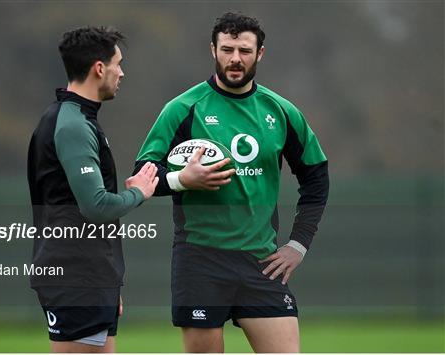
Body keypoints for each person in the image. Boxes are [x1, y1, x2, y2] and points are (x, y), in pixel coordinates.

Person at [134, 12, 329, 352]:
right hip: (200, 260)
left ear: (260, 53)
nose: (235, 59)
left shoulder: (281, 111)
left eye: (244, 50)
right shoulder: (182, 108)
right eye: (227, 49)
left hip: (262, 263)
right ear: (213, 50)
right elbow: (143, 178)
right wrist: (182, 179)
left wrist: (298, 244)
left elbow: (316, 178)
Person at [27, 26, 158, 353]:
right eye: (118, 63)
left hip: (91, 277)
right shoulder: (71, 125)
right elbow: (95, 206)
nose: (122, 72)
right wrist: (138, 193)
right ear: (99, 68)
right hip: (76, 278)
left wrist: (109, 280)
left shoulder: (75, 119)